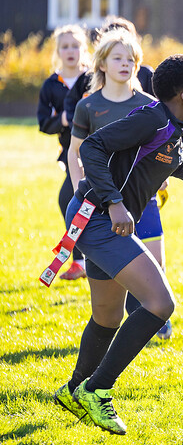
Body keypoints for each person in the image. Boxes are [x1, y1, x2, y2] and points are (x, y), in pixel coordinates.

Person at [50, 54, 183, 435]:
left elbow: (176, 162)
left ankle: (74, 391)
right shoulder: (150, 118)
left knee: (108, 316)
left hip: (106, 222)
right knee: (161, 304)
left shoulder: (177, 126)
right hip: (99, 219)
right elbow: (91, 149)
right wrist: (116, 203)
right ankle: (98, 390)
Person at [68, 28, 173, 340]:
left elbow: (163, 150)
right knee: (111, 273)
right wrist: (79, 189)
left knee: (155, 260)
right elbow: (75, 152)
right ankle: (115, 320)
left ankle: (155, 319)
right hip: (101, 204)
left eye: (130, 59)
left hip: (144, 199)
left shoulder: (151, 104)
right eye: (117, 58)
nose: (125, 64)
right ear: (102, 64)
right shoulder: (88, 106)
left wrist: (162, 178)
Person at [37, 25, 90, 280]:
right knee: (70, 200)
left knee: (74, 199)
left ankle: (87, 260)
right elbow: (44, 123)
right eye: (65, 46)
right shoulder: (51, 84)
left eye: (76, 45)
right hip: (71, 152)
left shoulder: (94, 78)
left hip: (100, 148)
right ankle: (81, 261)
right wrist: (65, 119)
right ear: (58, 51)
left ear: (84, 49)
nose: (71, 51)